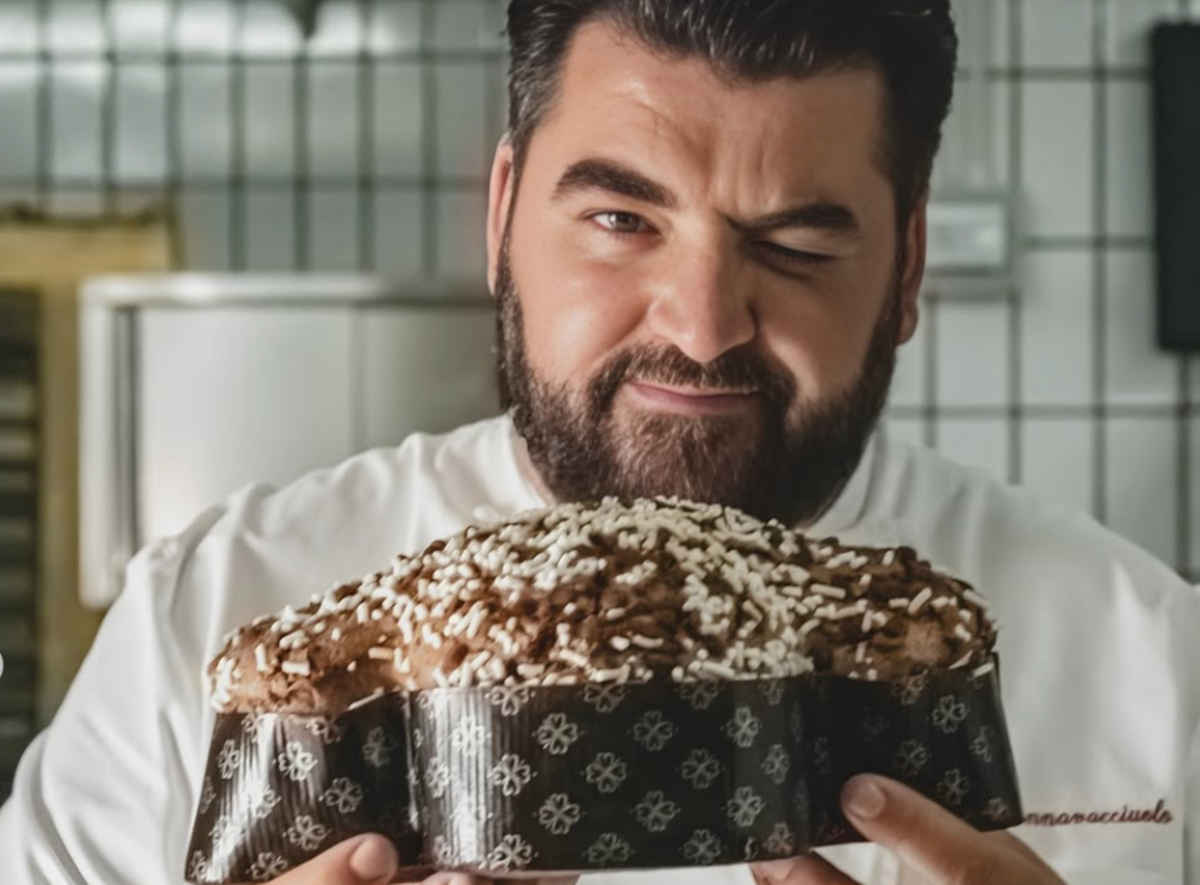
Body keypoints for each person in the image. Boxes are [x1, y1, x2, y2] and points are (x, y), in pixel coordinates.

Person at [2, 1, 1197, 883]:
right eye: (621, 219)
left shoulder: (1148, 658)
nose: (703, 325)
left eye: (796, 245)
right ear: (502, 220)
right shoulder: (211, 622)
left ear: (908, 267)